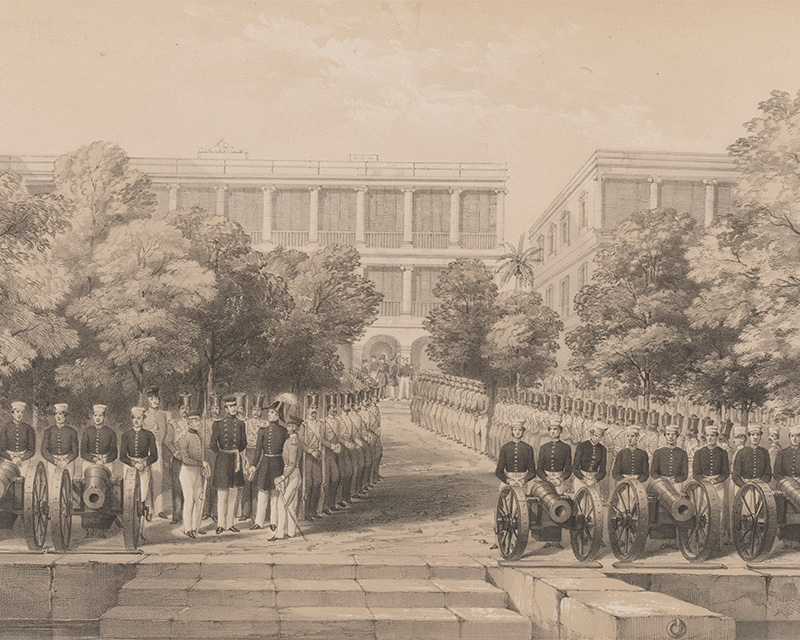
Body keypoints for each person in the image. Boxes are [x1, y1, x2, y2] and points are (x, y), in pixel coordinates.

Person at [249, 400, 288, 535]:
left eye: (272, 412)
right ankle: (259, 522)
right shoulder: (262, 430)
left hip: (278, 463)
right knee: (262, 493)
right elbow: (258, 451)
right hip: (265, 463)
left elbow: (286, 451)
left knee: (275, 494)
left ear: (278, 416)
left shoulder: (283, 431)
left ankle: (273, 522)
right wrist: (253, 465)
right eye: (269, 412)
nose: (269, 415)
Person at [210, 396, 247, 534]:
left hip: (235, 459)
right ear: (225, 408)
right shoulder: (218, 424)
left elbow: (243, 443)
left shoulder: (241, 424)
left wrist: (234, 452)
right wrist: (222, 454)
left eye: (234, 406)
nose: (234, 409)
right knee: (222, 494)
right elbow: (212, 444)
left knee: (233, 493)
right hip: (223, 460)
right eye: (231, 406)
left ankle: (230, 523)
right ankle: (221, 524)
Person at [649, 424, 689, 549]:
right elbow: (653, 472)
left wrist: (675, 479)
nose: (671, 437)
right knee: (662, 511)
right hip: (662, 485)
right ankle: (665, 540)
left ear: (677, 436)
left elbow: (684, 474)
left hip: (676, 484)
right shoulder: (658, 453)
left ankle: (674, 541)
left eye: (673, 435)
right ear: (665, 436)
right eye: (668, 434)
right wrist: (662, 480)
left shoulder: (682, 453)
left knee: (677, 509)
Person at [692, 423, 731, 546]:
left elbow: (725, 473)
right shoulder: (699, 453)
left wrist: (716, 480)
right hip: (703, 486)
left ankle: (716, 541)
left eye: (713, 436)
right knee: (703, 513)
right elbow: (695, 473)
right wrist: (704, 480)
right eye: (708, 436)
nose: (710, 438)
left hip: (718, 486)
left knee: (719, 512)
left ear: (717, 437)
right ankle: (703, 540)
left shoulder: (722, 453)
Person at [119, 406, 159, 521]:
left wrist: (144, 463)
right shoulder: (126, 435)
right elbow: (122, 456)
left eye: (139, 418)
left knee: (143, 491)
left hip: (143, 466)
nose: (136, 420)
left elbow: (154, 456)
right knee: (128, 492)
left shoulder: (149, 435)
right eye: (134, 418)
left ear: (143, 419)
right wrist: (133, 463)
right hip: (129, 466)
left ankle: (143, 509)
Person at [176, 411, 210, 539]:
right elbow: (185, 459)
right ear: (189, 423)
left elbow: (201, 455)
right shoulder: (183, 438)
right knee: (189, 501)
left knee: (199, 499)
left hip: (197, 472)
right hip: (187, 472)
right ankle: (187, 528)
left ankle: (196, 526)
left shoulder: (199, 436)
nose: (198, 423)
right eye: (195, 421)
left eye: (198, 421)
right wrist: (201, 463)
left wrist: (203, 466)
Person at [142, 387, 169, 520]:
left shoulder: (164, 415)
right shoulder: (144, 415)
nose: (155, 401)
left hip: (158, 447)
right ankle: (148, 508)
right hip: (146, 449)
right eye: (152, 399)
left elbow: (166, 433)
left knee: (158, 479)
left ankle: (159, 509)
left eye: (156, 398)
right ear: (148, 400)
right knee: (147, 479)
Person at [239, 395, 266, 522]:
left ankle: (255, 513)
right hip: (247, 453)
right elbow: (242, 442)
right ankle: (245, 512)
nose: (256, 412)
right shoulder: (245, 423)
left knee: (256, 484)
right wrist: (244, 459)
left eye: (258, 410)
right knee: (246, 483)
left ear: (261, 411)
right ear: (251, 410)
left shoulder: (264, 424)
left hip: (259, 453)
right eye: (254, 409)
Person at [165, 394, 191, 524]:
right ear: (179, 410)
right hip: (178, 459)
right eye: (182, 408)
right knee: (177, 487)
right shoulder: (173, 424)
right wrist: (175, 453)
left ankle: (188, 516)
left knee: (190, 487)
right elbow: (168, 441)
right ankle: (176, 516)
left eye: (187, 408)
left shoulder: (194, 423)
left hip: (190, 459)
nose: (185, 411)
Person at [273, 419, 302, 539]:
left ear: (295, 428)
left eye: (290, 426)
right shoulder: (293, 440)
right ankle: (291, 531)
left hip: (292, 474)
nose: (287, 428)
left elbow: (292, 463)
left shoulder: (292, 442)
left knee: (282, 503)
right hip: (292, 473)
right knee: (290, 505)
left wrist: (282, 477)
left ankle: (280, 533)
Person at [40, 402, 79, 483]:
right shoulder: (48, 431)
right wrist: (54, 460)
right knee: (51, 485)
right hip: (52, 463)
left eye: (60, 414)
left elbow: (75, 452)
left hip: (68, 463)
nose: (58, 416)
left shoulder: (72, 432)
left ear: (65, 415)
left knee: (68, 485)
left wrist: (66, 461)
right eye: (56, 414)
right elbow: (44, 450)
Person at [495, 419, 536, 491]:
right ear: (512, 431)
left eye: (520, 430)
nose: (517, 432)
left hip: (524, 481)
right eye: (515, 429)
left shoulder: (528, 448)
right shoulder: (505, 448)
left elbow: (532, 472)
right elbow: (498, 471)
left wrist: (523, 480)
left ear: (523, 432)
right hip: (508, 480)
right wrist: (508, 480)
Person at [537, 419, 572, 496]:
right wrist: (546, 478)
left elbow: (568, 469)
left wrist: (560, 479)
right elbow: (539, 468)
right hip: (545, 479)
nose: (552, 432)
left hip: (559, 480)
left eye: (555, 429)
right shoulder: (543, 447)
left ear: (560, 431)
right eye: (550, 429)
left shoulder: (566, 447)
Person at [300, 405, 323, 520]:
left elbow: (321, 440)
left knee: (317, 483)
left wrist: (318, 451)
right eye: (312, 408)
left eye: (315, 408)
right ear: (307, 409)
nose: (314, 410)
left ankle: (313, 511)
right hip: (307, 457)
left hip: (317, 456)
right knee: (308, 484)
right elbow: (301, 442)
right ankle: (306, 513)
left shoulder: (320, 424)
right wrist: (310, 451)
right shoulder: (304, 425)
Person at [0, 401, 36, 476]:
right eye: (17, 412)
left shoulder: (28, 428)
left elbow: (31, 450)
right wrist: (12, 458)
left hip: (24, 462)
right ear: (12, 413)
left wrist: (21, 459)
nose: (19, 414)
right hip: (8, 461)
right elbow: (1, 449)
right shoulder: (5, 428)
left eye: (22, 412)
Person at [80, 404, 118, 473]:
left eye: (100, 416)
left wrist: (105, 460)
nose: (97, 418)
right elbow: (83, 452)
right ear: (93, 416)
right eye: (95, 415)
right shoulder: (87, 431)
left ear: (104, 417)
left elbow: (114, 454)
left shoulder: (111, 432)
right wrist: (94, 459)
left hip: (106, 463)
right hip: (89, 462)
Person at [573, 422, 608, 494]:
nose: (597, 439)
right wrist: (584, 479)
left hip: (594, 481)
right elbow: (575, 468)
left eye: (600, 437)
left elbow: (603, 471)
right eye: (596, 436)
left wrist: (595, 479)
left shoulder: (602, 449)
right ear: (591, 434)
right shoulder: (582, 446)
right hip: (581, 479)